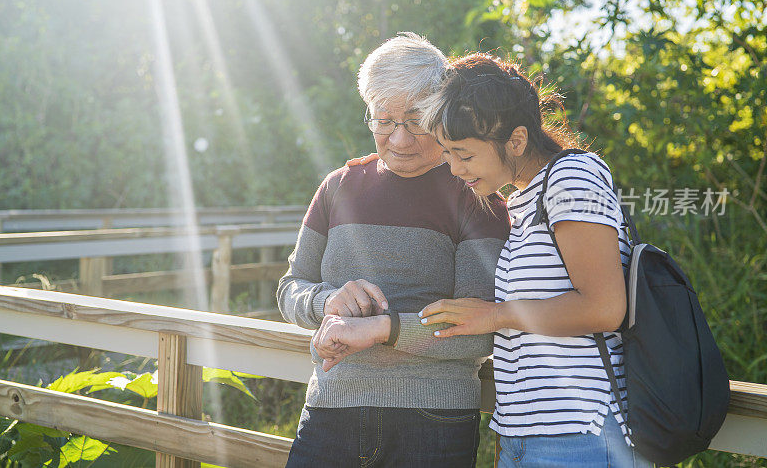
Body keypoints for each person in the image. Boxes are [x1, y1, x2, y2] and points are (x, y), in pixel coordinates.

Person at [277, 33, 510, 468]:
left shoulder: (477, 195)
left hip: (433, 419)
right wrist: (327, 300)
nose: (400, 140)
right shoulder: (337, 187)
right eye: (384, 120)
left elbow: (481, 328)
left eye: (416, 120)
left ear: (443, 112)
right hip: (331, 406)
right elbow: (290, 289)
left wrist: (385, 328)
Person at [416, 53, 652, 467]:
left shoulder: (571, 177)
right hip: (524, 435)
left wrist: (494, 315)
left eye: (464, 155)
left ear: (518, 140)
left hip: (581, 435)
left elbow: (604, 308)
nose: (453, 168)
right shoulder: (524, 198)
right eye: (447, 153)